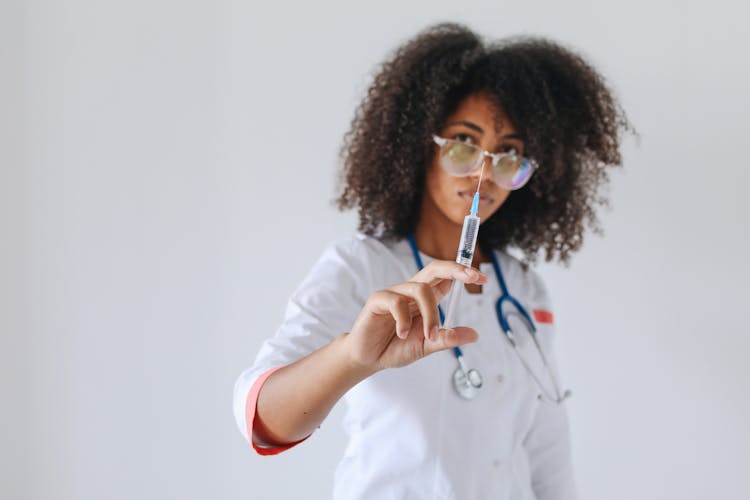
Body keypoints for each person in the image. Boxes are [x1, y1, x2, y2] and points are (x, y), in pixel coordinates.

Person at [233, 22, 630, 500]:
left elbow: (546, 449)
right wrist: (352, 357)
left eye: (509, 154)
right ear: (419, 143)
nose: (486, 173)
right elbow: (260, 418)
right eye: (464, 142)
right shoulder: (363, 265)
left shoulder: (524, 290)